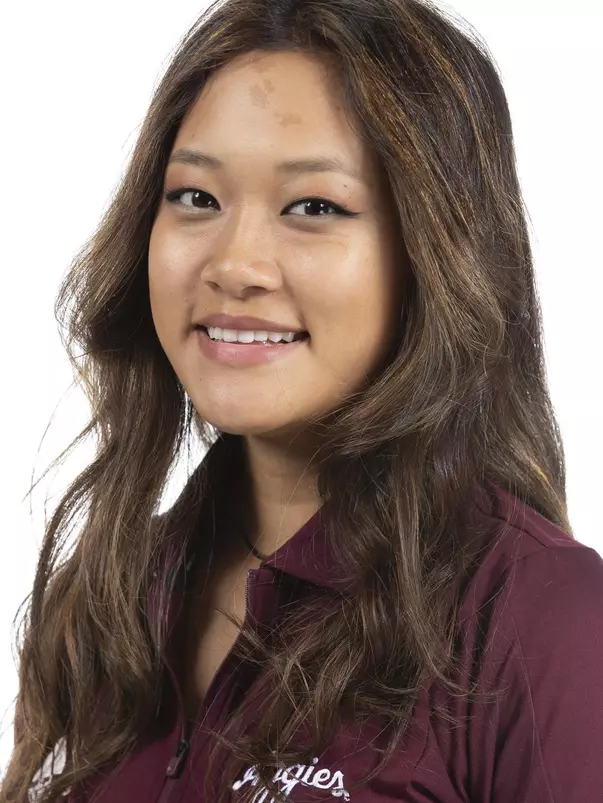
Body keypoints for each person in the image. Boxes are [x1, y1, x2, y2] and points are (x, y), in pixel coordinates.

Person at [4, 0, 603, 801]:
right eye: (194, 197)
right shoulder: (113, 595)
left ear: (434, 254)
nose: (234, 263)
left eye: (314, 207)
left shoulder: (542, 618)